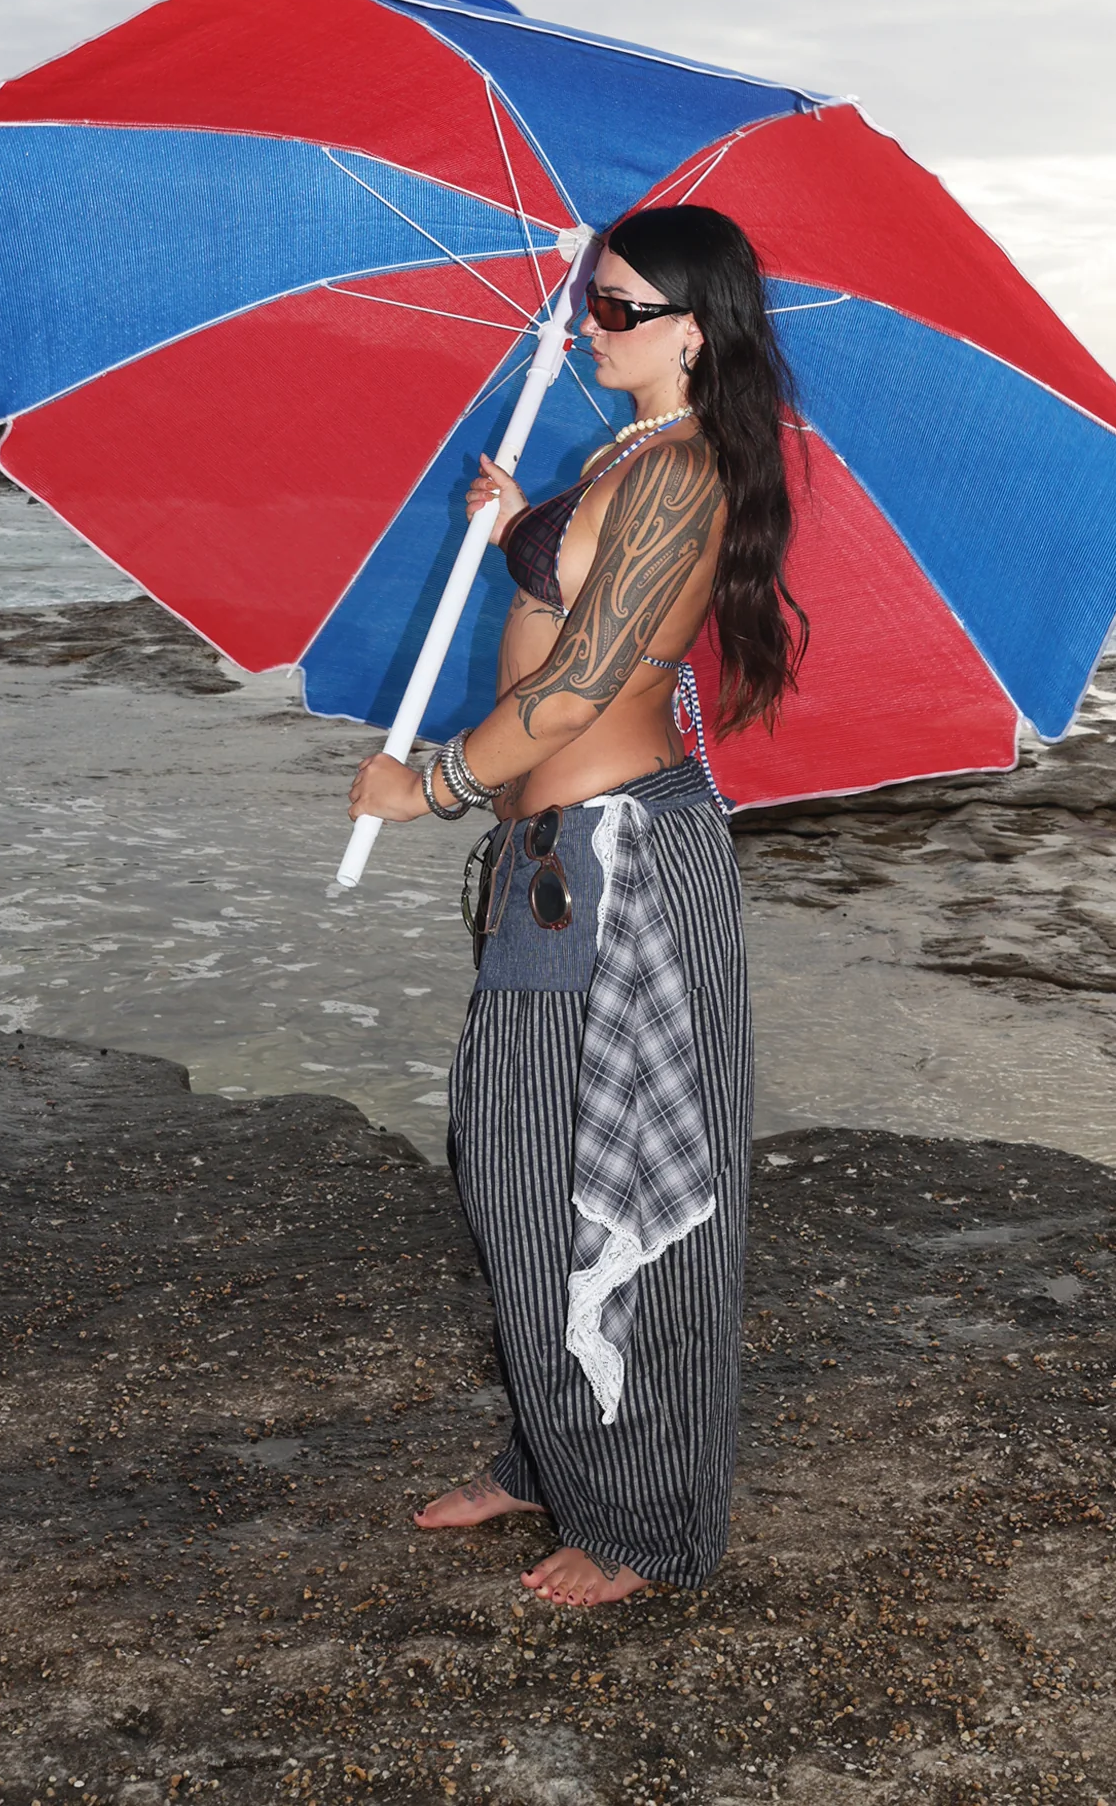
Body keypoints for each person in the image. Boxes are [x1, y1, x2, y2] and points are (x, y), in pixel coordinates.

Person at [348, 203, 805, 1607]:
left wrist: (426, 786)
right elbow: (573, 603)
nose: (585, 325)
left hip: (617, 868)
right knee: (514, 1169)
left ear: (692, 329)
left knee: (621, 1188)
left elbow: (584, 686)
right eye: (587, 302)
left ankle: (652, 1521)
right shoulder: (627, 453)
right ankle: (553, 1450)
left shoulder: (683, 471)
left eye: (616, 309)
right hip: (557, 863)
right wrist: (513, 528)